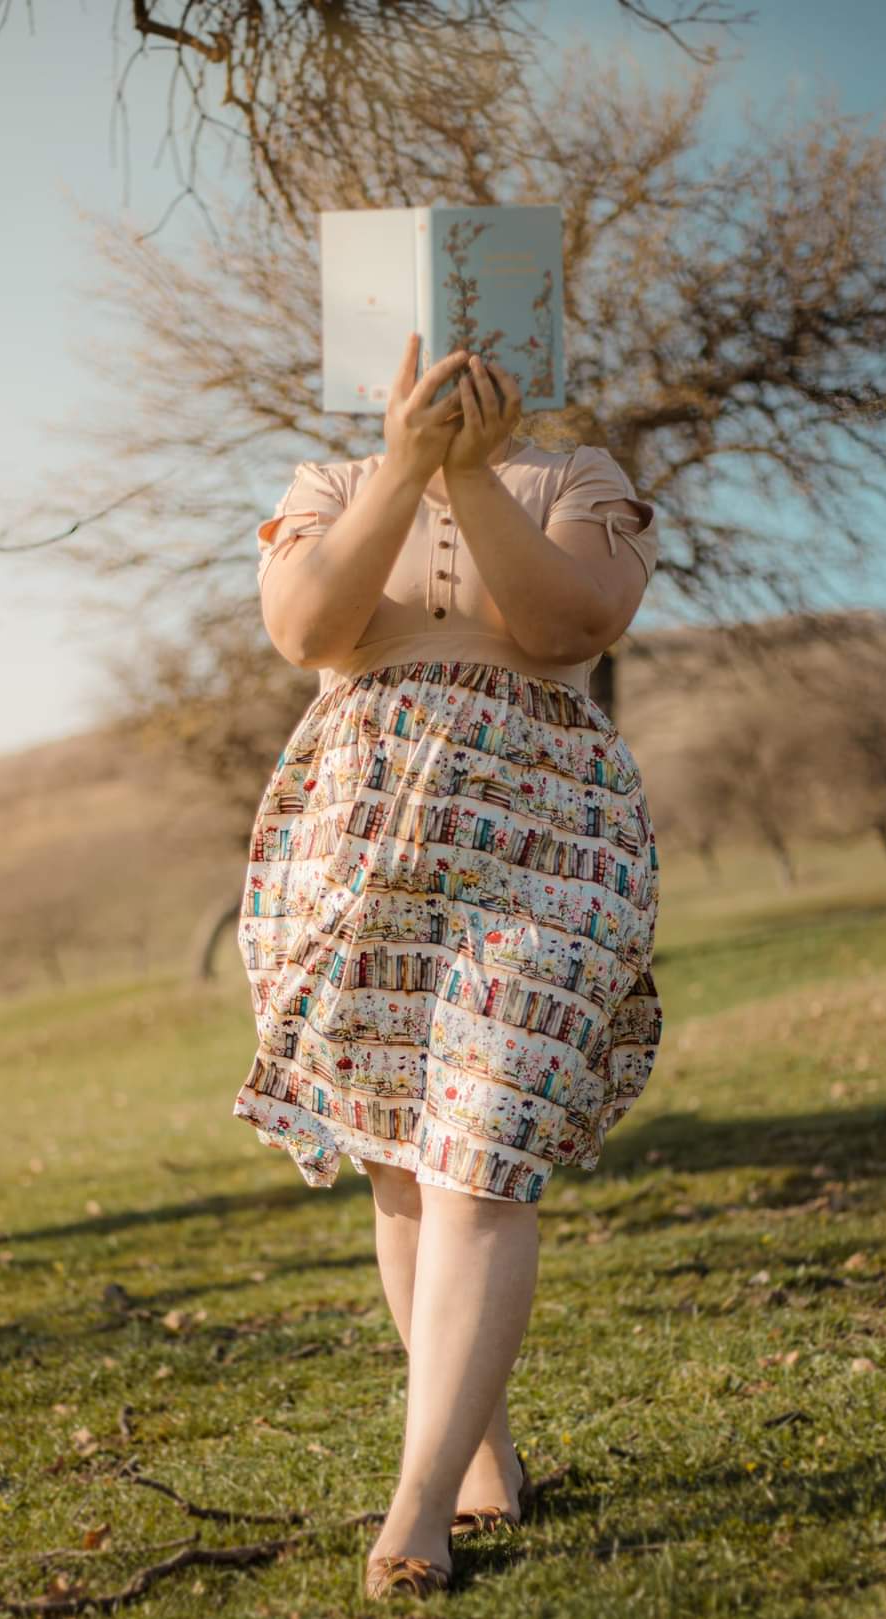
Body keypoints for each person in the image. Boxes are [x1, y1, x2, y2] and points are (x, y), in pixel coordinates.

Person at [233, 332, 664, 1599]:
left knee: (481, 1149)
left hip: (546, 843)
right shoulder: (326, 483)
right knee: (408, 1169)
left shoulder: (579, 476)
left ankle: (415, 1507)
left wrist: (470, 476)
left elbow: (571, 619)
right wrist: (404, 468)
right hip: (359, 836)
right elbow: (310, 626)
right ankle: (479, 1456)